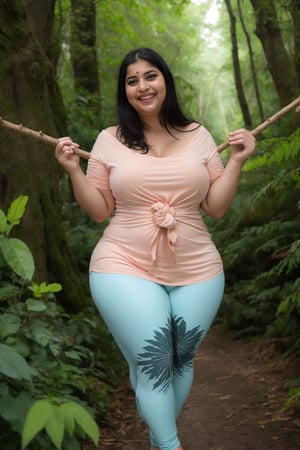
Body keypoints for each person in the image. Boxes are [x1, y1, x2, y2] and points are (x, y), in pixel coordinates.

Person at [55, 47, 256, 450]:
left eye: (150, 76)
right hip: (123, 263)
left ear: (165, 80)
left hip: (198, 267)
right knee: (155, 357)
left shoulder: (199, 135)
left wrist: (236, 161)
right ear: (124, 90)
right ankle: (169, 444)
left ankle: (156, 432)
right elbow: (99, 211)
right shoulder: (109, 141)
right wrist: (74, 170)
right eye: (132, 80)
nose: (143, 86)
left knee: (179, 359)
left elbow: (215, 207)